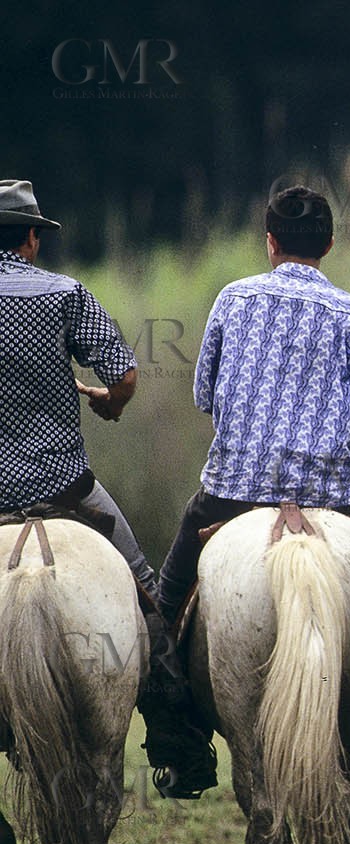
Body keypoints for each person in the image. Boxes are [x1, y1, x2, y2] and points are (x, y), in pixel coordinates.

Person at [154, 185, 350, 800]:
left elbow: (205, 395)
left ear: (271, 242)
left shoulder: (232, 298)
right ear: (329, 245)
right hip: (338, 498)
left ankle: (173, 725)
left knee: (165, 597)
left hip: (233, 491)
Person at [0, 179, 214, 798]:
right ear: (33, 239)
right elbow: (123, 375)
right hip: (64, 486)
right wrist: (107, 404)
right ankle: (176, 739)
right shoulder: (64, 293)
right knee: (146, 595)